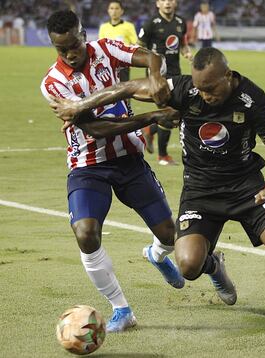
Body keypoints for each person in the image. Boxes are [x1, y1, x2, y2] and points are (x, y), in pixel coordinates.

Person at [49, 48, 265, 342]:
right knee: (188, 267)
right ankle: (215, 265)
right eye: (201, 89)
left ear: (227, 76)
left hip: (246, 187)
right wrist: (80, 107)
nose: (205, 96)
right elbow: (126, 87)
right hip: (200, 190)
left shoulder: (252, 98)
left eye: (211, 89)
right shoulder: (185, 89)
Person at [40, 10, 185, 334]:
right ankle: (122, 309)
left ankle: (157, 256)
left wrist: (157, 75)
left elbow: (151, 56)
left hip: (129, 160)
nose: (69, 53)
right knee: (86, 234)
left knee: (169, 236)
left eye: (74, 44)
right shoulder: (53, 83)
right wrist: (153, 117)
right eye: (61, 49)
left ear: (83, 36)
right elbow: (96, 128)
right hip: (87, 166)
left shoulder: (105, 49)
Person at [138, 0, 193, 165]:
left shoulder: (180, 22)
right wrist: (150, 66)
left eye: (171, 0)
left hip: (176, 74)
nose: (167, 3)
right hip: (158, 75)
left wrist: (187, 53)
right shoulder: (150, 24)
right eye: (163, 0)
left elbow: (182, 44)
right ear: (157, 4)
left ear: (175, 3)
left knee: (176, 113)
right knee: (171, 113)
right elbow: (138, 47)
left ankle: (149, 128)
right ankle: (162, 156)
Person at [99, 1, 138, 82]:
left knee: (126, 89)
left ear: (122, 11)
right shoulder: (103, 27)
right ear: (108, 10)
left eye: (117, 8)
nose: (114, 11)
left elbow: (134, 44)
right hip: (109, 66)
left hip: (124, 65)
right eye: (111, 8)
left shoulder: (129, 26)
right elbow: (101, 47)